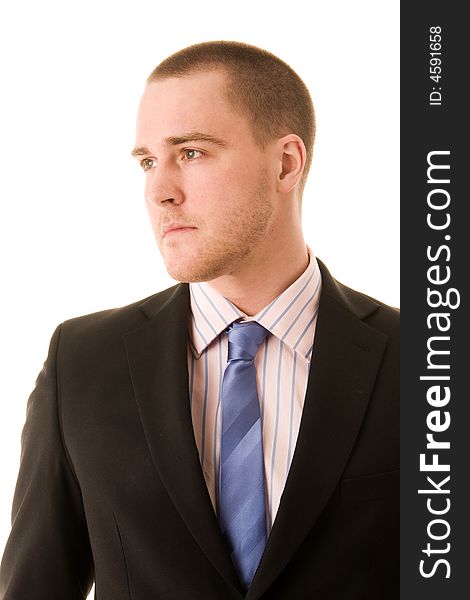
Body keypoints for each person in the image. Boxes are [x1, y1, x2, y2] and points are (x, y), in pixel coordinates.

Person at [0, 41, 399, 599]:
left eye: (190, 152)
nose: (158, 191)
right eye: (147, 161)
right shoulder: (82, 363)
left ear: (285, 163)